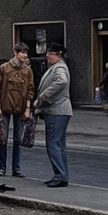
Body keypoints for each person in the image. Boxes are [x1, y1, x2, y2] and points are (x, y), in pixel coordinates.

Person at [0, 43, 34, 177]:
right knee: (2, 138)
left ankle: (16, 168)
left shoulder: (27, 71)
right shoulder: (4, 68)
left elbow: (30, 91)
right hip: (5, 107)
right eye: (22, 52)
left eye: (26, 52)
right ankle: (1, 167)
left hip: (20, 109)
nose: (24, 55)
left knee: (17, 139)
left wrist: (27, 109)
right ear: (15, 52)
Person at [34, 42, 72, 188]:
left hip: (57, 110)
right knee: (59, 145)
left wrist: (43, 97)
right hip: (59, 111)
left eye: (50, 53)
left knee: (53, 144)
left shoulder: (60, 67)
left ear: (58, 55)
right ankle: (61, 175)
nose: (47, 56)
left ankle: (60, 176)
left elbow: (62, 81)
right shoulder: (56, 67)